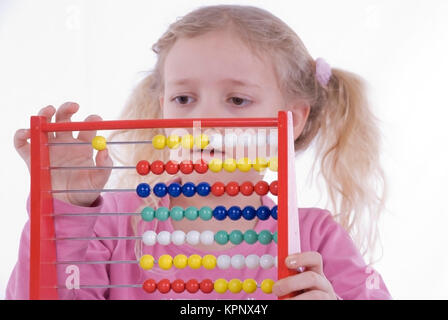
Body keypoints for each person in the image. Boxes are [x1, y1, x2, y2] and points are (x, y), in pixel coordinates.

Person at [8, 4, 391, 300]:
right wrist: (61, 211)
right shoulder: (110, 224)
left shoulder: (317, 240)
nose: (203, 118)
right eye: (184, 98)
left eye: (237, 99)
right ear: (163, 110)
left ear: (292, 119)